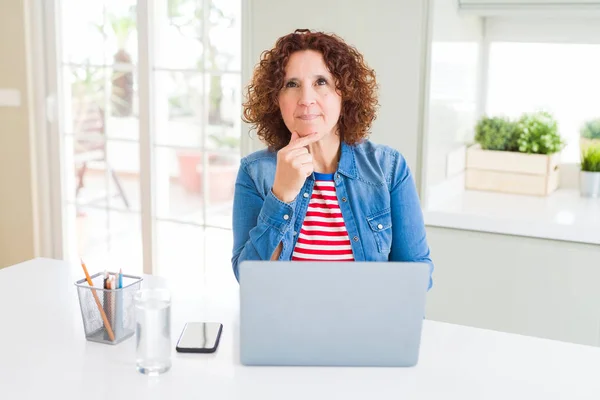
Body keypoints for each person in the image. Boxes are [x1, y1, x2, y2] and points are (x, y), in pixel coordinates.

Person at [231, 29, 433, 288]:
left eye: (321, 82)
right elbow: (249, 280)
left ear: (344, 92)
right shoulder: (255, 173)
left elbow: (417, 273)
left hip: (366, 325)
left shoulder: (389, 168)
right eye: (291, 84)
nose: (306, 99)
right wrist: (281, 195)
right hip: (287, 327)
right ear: (275, 99)